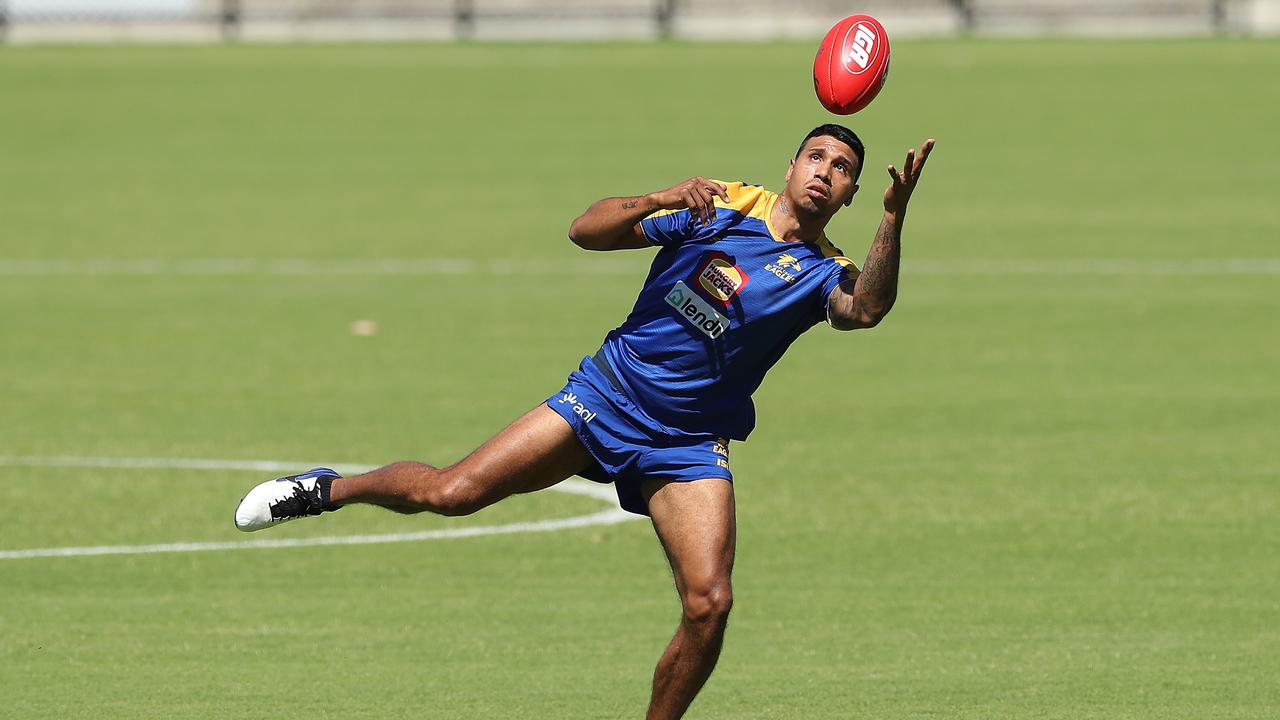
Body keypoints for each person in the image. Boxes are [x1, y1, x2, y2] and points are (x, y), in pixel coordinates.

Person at [233, 124, 935, 720]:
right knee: (449, 494)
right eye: (817, 157)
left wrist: (894, 219)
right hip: (605, 397)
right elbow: (585, 231)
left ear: (848, 195)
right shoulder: (721, 206)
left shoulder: (823, 270)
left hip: (685, 443)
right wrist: (662, 197)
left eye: (843, 170)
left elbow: (865, 309)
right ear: (791, 166)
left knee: (709, 603)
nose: (827, 172)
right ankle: (327, 490)